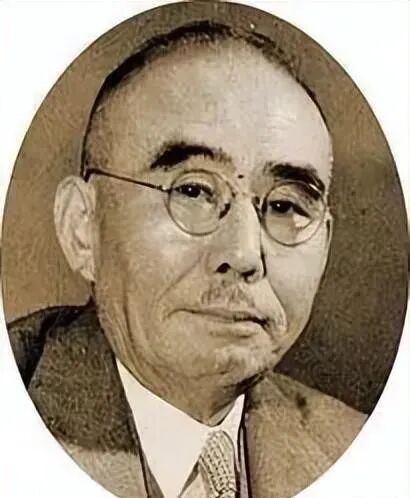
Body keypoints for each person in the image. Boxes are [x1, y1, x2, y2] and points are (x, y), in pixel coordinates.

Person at [8, 21, 366, 498]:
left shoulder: (363, 449)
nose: (243, 255)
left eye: (285, 206)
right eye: (193, 191)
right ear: (83, 229)